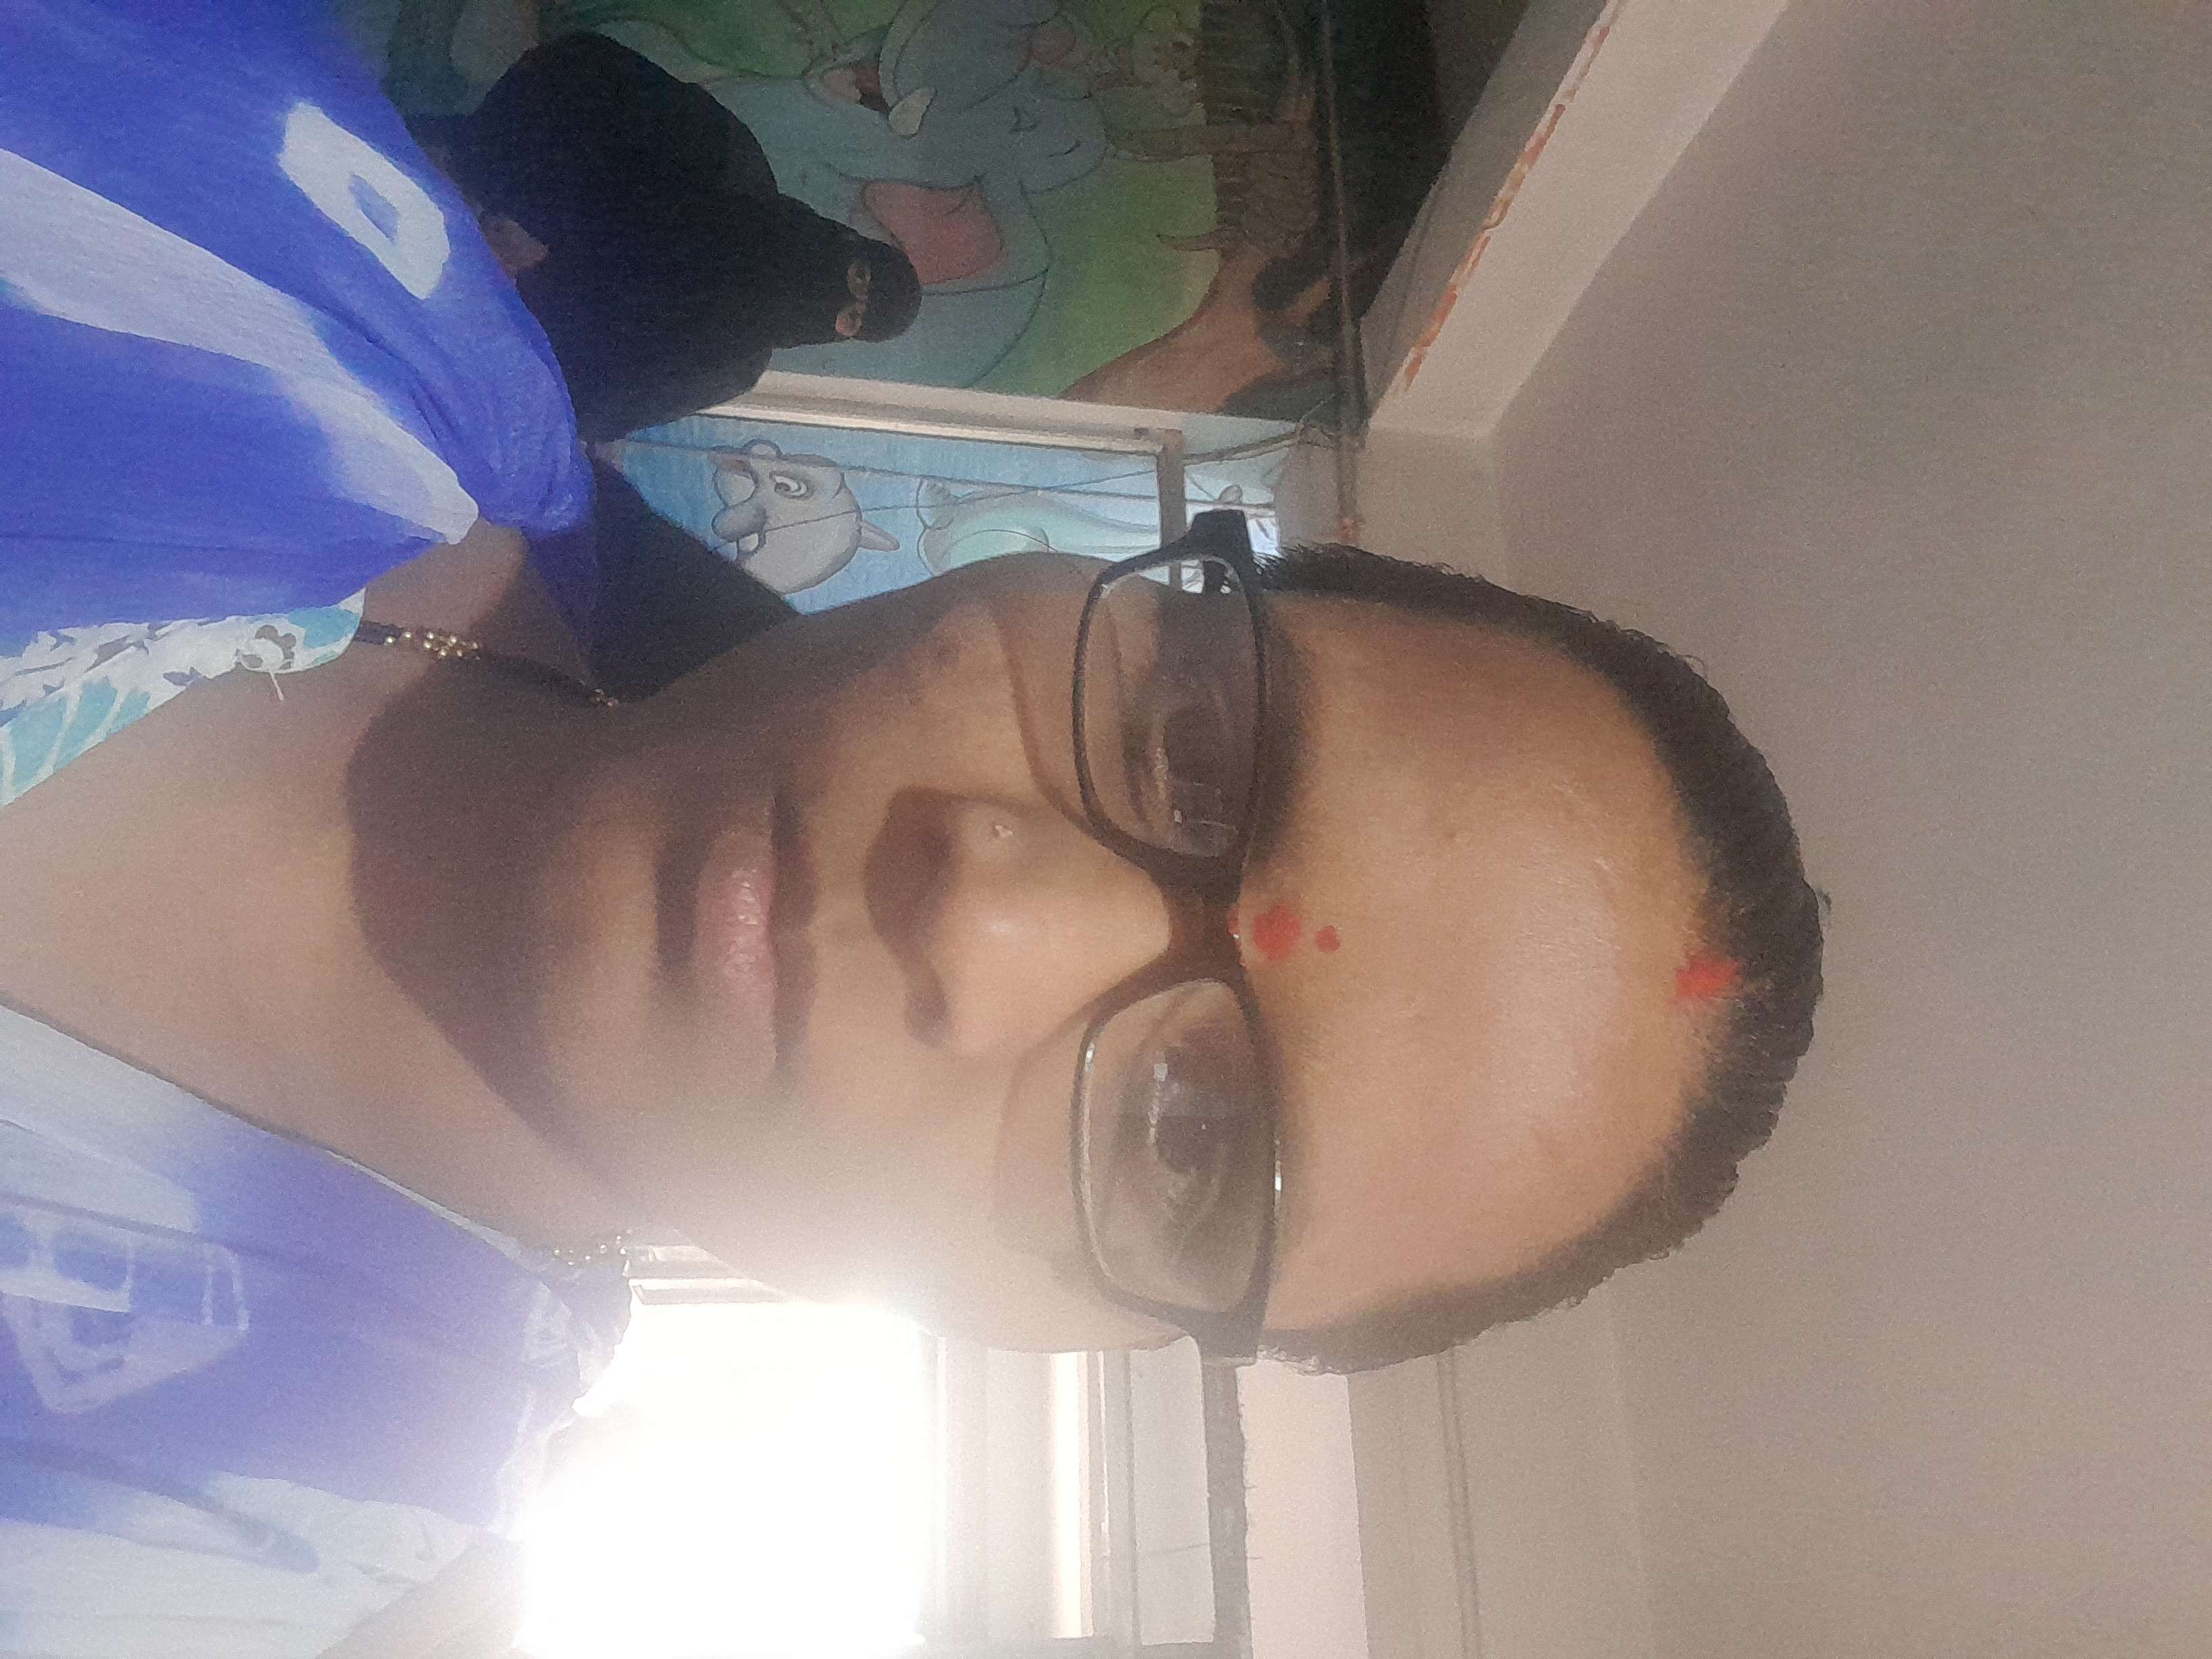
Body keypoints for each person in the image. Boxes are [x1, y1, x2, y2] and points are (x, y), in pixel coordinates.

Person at [0, 1, 1822, 1652]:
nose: (992, 918)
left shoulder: (248, 1562)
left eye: (1189, 1138)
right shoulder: (265, 242)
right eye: (1195, 747)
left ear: (1096, 1336)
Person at [420, 32, 925, 441]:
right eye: (860, 276)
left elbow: (571, 413)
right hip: (436, 183)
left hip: (443, 348)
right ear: (849, 242)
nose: (835, 296)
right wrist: (497, 193)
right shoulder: (727, 162)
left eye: (852, 316)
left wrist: (509, 306)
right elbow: (577, 67)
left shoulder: (727, 366)